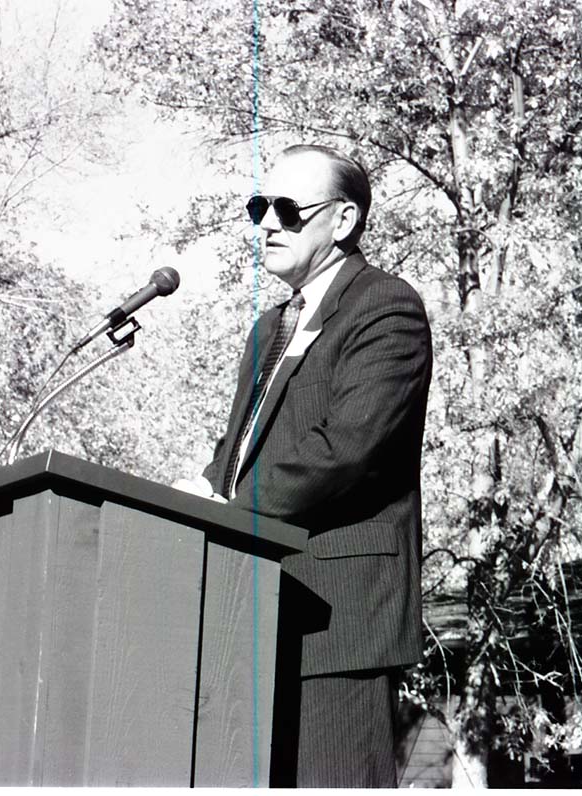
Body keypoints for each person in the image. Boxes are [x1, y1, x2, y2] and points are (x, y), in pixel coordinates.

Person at [177, 144, 432, 786]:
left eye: (288, 210)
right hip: (254, 613)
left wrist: (226, 505)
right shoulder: (269, 328)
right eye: (259, 207)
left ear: (343, 221)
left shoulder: (386, 307)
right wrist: (193, 497)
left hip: (337, 620)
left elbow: (346, 449)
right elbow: (239, 454)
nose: (266, 223)